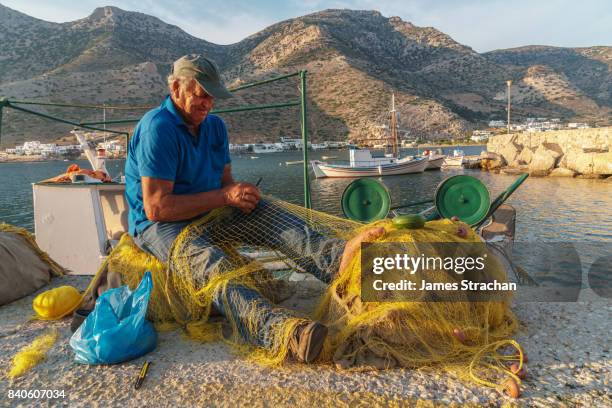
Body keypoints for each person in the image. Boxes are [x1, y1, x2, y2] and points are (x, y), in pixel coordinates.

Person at [125, 54, 384, 363]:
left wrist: (241, 195)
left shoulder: (215, 127)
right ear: (176, 88)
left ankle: (338, 261)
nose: (208, 103)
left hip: (207, 211)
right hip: (161, 225)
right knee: (211, 264)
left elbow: (225, 184)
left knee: (271, 215)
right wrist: (224, 197)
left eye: (212, 97)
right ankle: (279, 333)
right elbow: (157, 207)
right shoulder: (158, 128)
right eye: (200, 95)